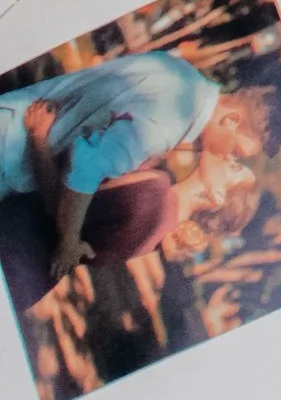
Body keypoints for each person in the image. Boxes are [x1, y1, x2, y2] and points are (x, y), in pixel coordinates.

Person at [0, 45, 259, 293]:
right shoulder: (162, 191)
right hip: (14, 184)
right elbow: (75, 191)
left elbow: (62, 205)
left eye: (235, 163)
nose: (228, 157)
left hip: (17, 242)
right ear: (231, 119)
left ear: (218, 195)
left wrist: (38, 141)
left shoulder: (156, 195)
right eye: (236, 154)